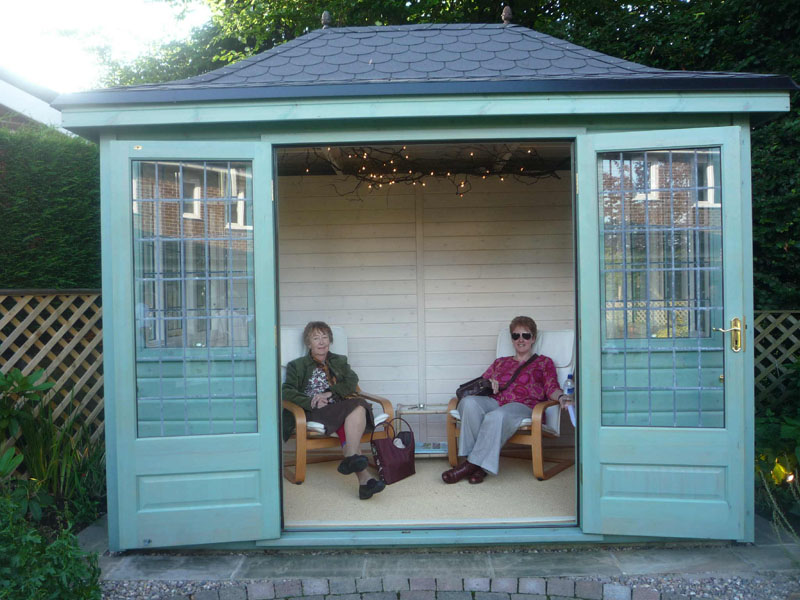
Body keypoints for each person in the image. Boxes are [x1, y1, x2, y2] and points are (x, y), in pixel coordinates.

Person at [441, 316, 571, 484]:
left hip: (523, 405)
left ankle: (469, 465)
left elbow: (551, 387)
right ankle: (479, 467)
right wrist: (490, 383)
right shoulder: (500, 362)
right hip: (495, 401)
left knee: (497, 416)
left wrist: (561, 397)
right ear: (512, 339)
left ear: (533, 338)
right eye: (516, 336)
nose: (521, 340)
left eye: (526, 335)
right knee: (468, 403)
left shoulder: (543, 362)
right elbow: (480, 384)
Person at [282, 321, 386, 500]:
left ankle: (364, 481)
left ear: (330, 340)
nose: (321, 342)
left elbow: (352, 382)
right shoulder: (296, 366)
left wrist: (330, 394)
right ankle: (355, 461)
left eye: (325, 337)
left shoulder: (339, 361)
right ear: (309, 343)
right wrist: (311, 401)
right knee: (358, 405)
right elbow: (287, 391)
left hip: (338, 408)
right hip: (315, 411)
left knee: (355, 408)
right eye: (316, 338)